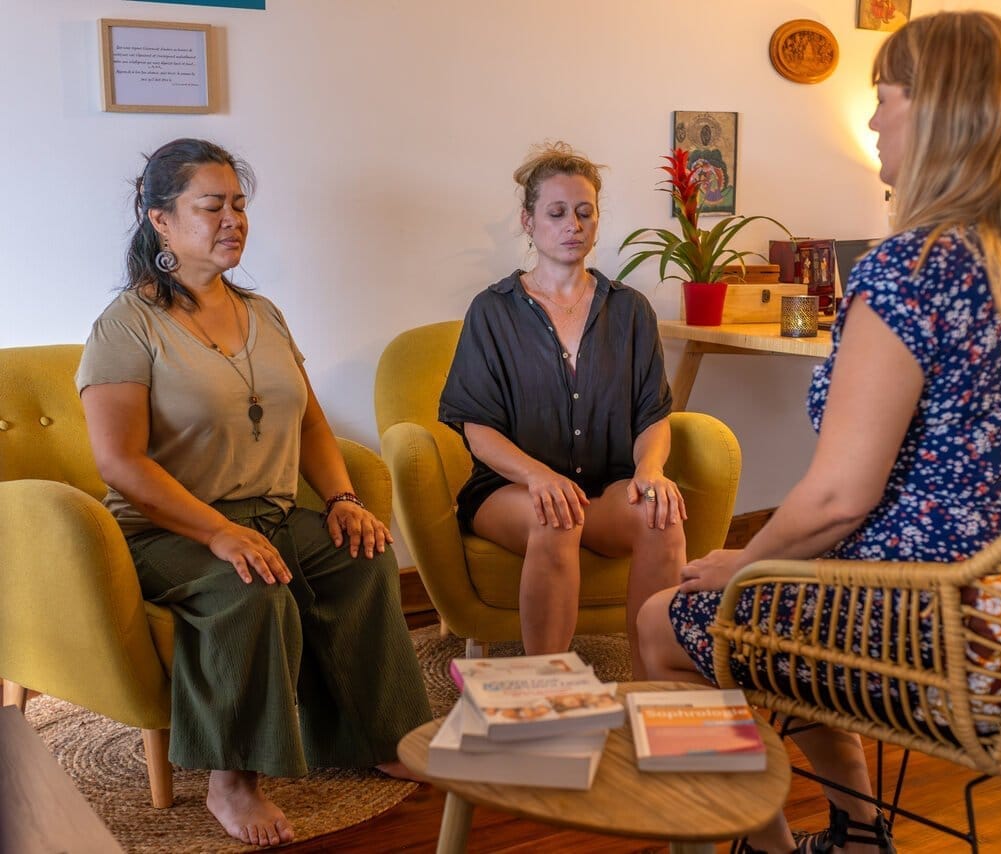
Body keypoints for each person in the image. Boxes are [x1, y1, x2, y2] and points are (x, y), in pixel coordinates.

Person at [638, 12, 1001, 854]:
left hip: (919, 613)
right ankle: (858, 835)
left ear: (936, 111)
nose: (872, 120)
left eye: (885, 96)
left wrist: (747, 561)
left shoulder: (909, 271)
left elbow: (840, 497)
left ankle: (761, 845)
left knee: (668, 618)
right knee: (779, 603)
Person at [76, 138, 431, 848]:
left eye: (239, 205)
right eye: (212, 206)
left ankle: (380, 734)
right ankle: (231, 779)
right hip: (166, 529)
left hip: (271, 512)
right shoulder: (126, 326)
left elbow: (312, 422)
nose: (233, 219)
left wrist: (342, 500)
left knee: (361, 559)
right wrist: (216, 531)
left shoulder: (263, 313)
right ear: (161, 221)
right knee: (251, 588)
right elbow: (120, 462)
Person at [439, 141, 686, 676]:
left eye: (584, 212)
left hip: (605, 489)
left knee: (660, 517)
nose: (572, 225)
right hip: (513, 493)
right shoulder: (492, 311)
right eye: (556, 213)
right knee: (555, 517)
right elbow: (477, 428)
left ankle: (655, 687)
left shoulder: (631, 310)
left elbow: (653, 414)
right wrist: (539, 477)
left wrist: (650, 470)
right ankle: (547, 690)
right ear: (528, 221)